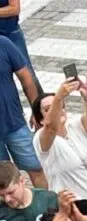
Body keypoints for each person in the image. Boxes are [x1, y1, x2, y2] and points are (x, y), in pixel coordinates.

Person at [32, 77, 87, 214]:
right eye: (49, 109)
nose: (59, 110)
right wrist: (58, 98)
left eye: (61, 106)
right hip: (71, 204)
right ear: (40, 120)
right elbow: (50, 127)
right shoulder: (42, 139)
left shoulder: (74, 127)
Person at [0, 33, 40, 187]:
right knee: (1, 178)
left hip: (14, 122)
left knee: (36, 167)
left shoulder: (3, 43)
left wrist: (35, 109)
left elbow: (26, 77)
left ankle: (47, 207)